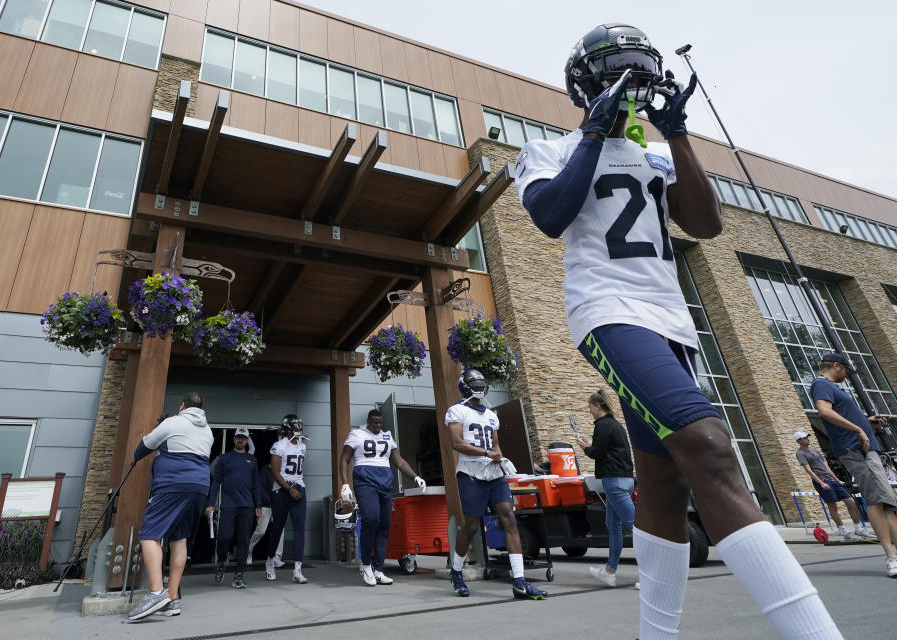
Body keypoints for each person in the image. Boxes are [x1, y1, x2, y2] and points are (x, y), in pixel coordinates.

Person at [515, 22, 842, 639]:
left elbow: (707, 224)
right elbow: (551, 215)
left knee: (663, 482)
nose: (631, 85)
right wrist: (594, 130)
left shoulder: (657, 153)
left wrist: (679, 132)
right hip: (609, 310)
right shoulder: (550, 148)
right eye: (619, 74)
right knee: (711, 447)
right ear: (585, 85)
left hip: (673, 322)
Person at [446, 369, 547, 600]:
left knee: (509, 518)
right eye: (476, 383)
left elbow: (496, 445)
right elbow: (456, 443)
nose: (480, 387)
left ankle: (519, 581)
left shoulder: (492, 415)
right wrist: (486, 453)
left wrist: (501, 459)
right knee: (471, 525)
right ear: (465, 386)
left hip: (494, 474)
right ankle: (456, 571)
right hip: (470, 474)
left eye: (482, 383)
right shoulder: (457, 410)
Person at [127, 392, 213, 621]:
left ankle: (156, 593)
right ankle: (172, 598)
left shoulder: (173, 422)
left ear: (182, 406)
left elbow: (143, 448)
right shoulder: (208, 431)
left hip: (173, 484)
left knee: (149, 535)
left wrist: (148, 450)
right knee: (180, 538)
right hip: (200, 486)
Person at [810, 353, 897, 577]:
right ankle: (891, 557)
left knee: (888, 501)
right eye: (847, 371)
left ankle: (894, 554)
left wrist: (867, 423)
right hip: (854, 450)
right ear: (836, 366)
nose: (847, 376)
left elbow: (840, 414)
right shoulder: (821, 384)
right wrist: (858, 430)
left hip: (867, 449)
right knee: (877, 500)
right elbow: (824, 412)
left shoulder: (835, 389)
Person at [339, 409, 427, 586]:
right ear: (368, 421)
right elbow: (344, 459)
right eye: (375, 423)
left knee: (384, 525)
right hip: (365, 482)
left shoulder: (387, 436)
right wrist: (345, 484)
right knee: (371, 519)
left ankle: (379, 570)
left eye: (380, 423)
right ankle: (366, 565)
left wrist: (415, 476)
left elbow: (399, 461)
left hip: (385, 484)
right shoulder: (356, 434)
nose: (378, 426)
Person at [575, 389, 635, 586]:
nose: (589, 411)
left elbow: (597, 454)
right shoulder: (615, 425)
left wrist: (585, 447)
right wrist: (591, 446)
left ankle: (654, 575)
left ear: (598, 405)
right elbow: (608, 450)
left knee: (636, 527)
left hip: (614, 481)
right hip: (625, 479)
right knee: (613, 526)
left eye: (590, 407)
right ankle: (609, 571)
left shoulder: (602, 425)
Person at [793, 430, 874, 540]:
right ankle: (844, 531)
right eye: (804, 438)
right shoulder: (800, 453)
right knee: (833, 506)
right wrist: (821, 483)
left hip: (832, 480)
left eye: (807, 437)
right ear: (799, 441)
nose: (807, 439)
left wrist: (837, 480)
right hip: (822, 481)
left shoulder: (815, 451)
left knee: (851, 502)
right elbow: (809, 471)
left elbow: (826, 467)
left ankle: (858, 528)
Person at [206, 428, 261, 589]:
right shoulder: (225, 458)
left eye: (243, 438)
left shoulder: (252, 460)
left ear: (246, 441)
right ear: (234, 439)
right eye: (238, 437)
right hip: (228, 505)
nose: (240, 440)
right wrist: (211, 504)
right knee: (223, 537)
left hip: (247, 506)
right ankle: (222, 561)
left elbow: (256, 485)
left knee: (243, 540)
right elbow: (216, 482)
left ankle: (239, 574)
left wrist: (258, 505)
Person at [265, 413, 309, 584]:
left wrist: (297, 488)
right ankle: (270, 561)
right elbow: (274, 472)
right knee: (277, 528)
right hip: (281, 490)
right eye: (296, 425)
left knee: (300, 529)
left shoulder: (302, 446)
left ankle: (297, 570)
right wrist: (289, 489)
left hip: (298, 489)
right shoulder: (279, 445)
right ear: (289, 427)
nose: (299, 427)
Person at [247, 463, 285, 569]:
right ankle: (248, 550)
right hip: (266, 505)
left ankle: (276, 557)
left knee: (280, 530)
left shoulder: (284, 470)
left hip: (278, 506)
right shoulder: (265, 470)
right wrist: (269, 501)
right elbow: (260, 488)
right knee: (261, 530)